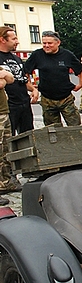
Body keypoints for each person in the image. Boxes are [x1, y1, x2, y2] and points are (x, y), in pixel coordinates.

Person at [23, 30, 82, 126]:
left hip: (66, 99)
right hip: (47, 100)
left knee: (75, 126)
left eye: (50, 43)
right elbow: (26, 71)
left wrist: (80, 84)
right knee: (53, 130)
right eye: (44, 43)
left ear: (58, 43)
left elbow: (81, 70)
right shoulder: (37, 55)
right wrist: (31, 87)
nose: (46, 45)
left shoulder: (67, 55)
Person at [0, 26, 38, 135]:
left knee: (28, 136)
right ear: (3, 40)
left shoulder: (16, 58)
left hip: (24, 103)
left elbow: (22, 79)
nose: (17, 42)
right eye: (14, 39)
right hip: (8, 106)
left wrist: (33, 90)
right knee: (9, 139)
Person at [0, 66, 21, 204]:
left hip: (3, 112)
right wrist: (2, 76)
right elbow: (1, 83)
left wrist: (3, 75)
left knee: (5, 151)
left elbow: (10, 78)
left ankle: (5, 182)